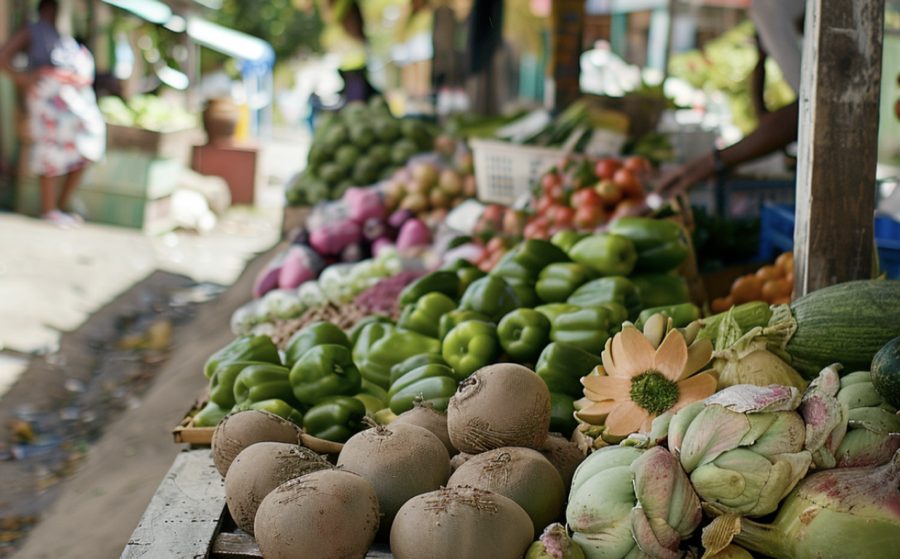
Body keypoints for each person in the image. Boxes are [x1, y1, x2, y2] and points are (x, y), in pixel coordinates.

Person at [654, 0, 805, 199]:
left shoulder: (773, 7)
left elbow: (802, 114)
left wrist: (712, 163)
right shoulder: (764, 12)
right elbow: (784, 118)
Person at [0, 0, 106, 226]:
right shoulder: (32, 29)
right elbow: (3, 58)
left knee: (83, 148)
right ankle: (49, 209)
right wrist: (26, 79)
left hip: (69, 105)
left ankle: (59, 206)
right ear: (49, 8)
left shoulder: (64, 37)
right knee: (50, 150)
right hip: (49, 104)